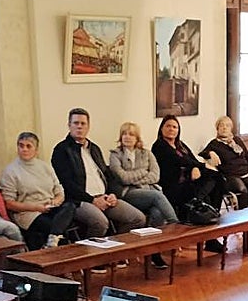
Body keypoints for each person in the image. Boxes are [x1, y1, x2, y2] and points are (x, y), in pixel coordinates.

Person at [50, 107, 145, 238]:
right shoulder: (61, 150)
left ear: (88, 127)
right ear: (69, 125)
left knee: (138, 218)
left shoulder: (94, 148)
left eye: (83, 124)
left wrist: (112, 194)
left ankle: (115, 250)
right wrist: (92, 200)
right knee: (101, 223)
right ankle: (90, 256)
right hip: (80, 201)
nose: (79, 127)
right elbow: (67, 184)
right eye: (76, 123)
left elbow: (107, 175)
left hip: (104, 197)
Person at [108, 121, 180, 269]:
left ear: (137, 137)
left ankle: (153, 253)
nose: (127, 137)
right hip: (128, 194)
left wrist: (136, 178)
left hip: (147, 191)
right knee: (158, 197)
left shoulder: (146, 153)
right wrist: (142, 172)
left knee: (157, 212)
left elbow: (155, 176)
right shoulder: (115, 155)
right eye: (124, 134)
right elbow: (123, 178)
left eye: (131, 134)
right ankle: (176, 226)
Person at [151, 115, 225, 254]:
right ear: (161, 129)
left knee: (218, 178)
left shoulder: (181, 145)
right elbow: (180, 161)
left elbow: (191, 159)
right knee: (206, 193)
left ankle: (211, 209)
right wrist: (197, 166)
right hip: (173, 187)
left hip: (189, 183)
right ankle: (202, 206)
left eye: (175, 127)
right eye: (168, 126)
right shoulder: (160, 146)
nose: (171, 129)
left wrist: (196, 167)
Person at [0, 132, 78, 251]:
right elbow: (9, 203)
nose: (24, 149)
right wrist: (36, 207)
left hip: (50, 207)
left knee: (70, 206)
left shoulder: (45, 167)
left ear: (36, 150)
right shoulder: (11, 171)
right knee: (58, 229)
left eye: (28, 146)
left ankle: (53, 237)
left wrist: (56, 201)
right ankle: (57, 242)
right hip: (28, 212)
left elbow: (59, 190)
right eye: (21, 146)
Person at [200, 115, 248, 209]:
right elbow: (202, 153)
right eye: (222, 125)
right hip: (230, 176)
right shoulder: (214, 144)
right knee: (242, 191)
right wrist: (210, 153)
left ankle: (242, 209)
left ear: (231, 128)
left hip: (245, 173)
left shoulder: (236, 140)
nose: (224, 128)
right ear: (217, 128)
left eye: (227, 125)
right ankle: (241, 217)